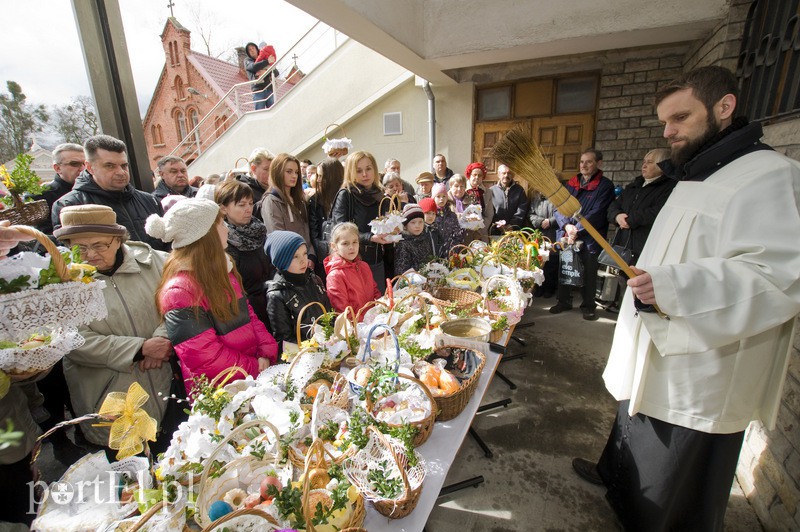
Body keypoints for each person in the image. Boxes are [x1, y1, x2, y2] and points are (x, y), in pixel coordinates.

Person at [571, 66, 800, 531]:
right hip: (653, 339)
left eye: (679, 118)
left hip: (700, 363)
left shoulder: (770, 176)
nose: (668, 132)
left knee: (667, 494)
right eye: (664, 122)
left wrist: (673, 287)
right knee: (633, 441)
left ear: (725, 107)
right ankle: (616, 487)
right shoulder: (699, 172)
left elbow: (778, 276)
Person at [53, 205, 177, 453]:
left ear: (119, 240)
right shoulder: (60, 284)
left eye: (99, 245)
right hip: (109, 399)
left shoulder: (156, 262)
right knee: (130, 483)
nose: (90, 255)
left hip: (167, 388)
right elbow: (70, 339)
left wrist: (162, 339)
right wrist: (139, 349)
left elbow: (180, 304)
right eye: (79, 248)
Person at [147, 198, 278, 393]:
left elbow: (248, 315)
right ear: (203, 235)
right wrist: (254, 368)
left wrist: (266, 351)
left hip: (250, 378)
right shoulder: (180, 291)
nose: (226, 229)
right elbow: (204, 356)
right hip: (222, 391)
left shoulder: (223, 268)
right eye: (220, 224)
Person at [52, 135, 167, 251]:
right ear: (90, 167)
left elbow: (168, 241)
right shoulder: (70, 206)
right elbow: (74, 257)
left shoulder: (149, 200)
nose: (120, 172)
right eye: (110, 166)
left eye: (124, 165)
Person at [550, 148, 615, 320]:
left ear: (598, 164)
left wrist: (577, 229)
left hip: (589, 236)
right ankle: (563, 301)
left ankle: (588, 305)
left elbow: (598, 212)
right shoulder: (571, 184)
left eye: (589, 161)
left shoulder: (605, 186)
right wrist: (567, 227)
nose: (584, 165)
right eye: (581, 162)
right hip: (567, 234)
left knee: (589, 272)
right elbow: (558, 207)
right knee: (565, 268)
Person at [330, 151, 392, 292]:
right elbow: (339, 230)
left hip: (377, 261)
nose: (365, 174)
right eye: (359, 171)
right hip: (352, 263)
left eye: (368, 169)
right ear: (351, 172)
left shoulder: (381, 195)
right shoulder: (346, 195)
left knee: (378, 306)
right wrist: (370, 237)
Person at [215, 180, 272, 328]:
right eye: (241, 205)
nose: (248, 209)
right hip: (249, 314)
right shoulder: (224, 242)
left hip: (272, 304)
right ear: (223, 209)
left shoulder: (259, 230)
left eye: (251, 203)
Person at [264, 231, 331, 345]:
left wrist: (332, 334)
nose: (303, 260)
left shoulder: (315, 279)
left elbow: (328, 313)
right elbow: (284, 340)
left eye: (305, 253)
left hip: (328, 345)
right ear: (281, 261)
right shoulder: (277, 295)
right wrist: (311, 348)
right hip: (304, 354)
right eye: (295, 256)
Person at [261, 153, 316, 268]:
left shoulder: (299, 200)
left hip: (307, 261)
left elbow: (306, 231)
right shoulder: (271, 201)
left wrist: (310, 255)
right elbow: (277, 236)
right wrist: (297, 259)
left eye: (296, 172)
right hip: (288, 263)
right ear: (278, 172)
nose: (294, 176)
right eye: (289, 171)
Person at [324, 222, 381, 313]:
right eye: (345, 243)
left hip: (375, 320)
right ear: (334, 246)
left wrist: (380, 309)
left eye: (355, 242)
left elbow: (375, 292)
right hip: (356, 325)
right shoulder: (335, 276)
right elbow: (342, 312)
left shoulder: (364, 266)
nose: (351, 247)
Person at [29, 142, 85, 235]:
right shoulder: (41, 196)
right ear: (57, 168)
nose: (82, 169)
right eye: (75, 164)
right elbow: (44, 236)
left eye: (85, 164)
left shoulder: (98, 190)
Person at [308, 158, 345, 280]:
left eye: (321, 176)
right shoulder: (314, 201)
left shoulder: (345, 197)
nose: (318, 180)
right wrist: (330, 251)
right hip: (324, 260)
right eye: (317, 175)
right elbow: (314, 234)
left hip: (346, 256)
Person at [395, 203, 441, 274]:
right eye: (413, 222)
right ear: (405, 225)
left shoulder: (425, 237)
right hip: (412, 281)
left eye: (420, 222)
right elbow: (402, 271)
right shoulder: (403, 243)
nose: (417, 226)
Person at [529, 193, 558, 298]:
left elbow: (562, 214)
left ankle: (550, 288)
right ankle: (539, 288)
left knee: (552, 262)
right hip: (540, 233)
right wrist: (540, 221)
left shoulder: (557, 197)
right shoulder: (535, 198)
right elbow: (531, 214)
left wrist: (550, 221)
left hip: (554, 233)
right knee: (539, 262)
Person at [489, 164, 530, 235]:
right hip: (496, 231)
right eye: (504, 173)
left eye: (509, 173)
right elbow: (490, 211)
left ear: (513, 175)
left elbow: (522, 209)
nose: (506, 175)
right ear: (499, 174)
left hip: (515, 231)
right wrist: (499, 225)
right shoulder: (492, 191)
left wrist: (512, 225)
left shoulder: (519, 190)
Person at [431, 182, 464, 256]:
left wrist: (453, 250)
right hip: (435, 253)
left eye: (444, 196)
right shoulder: (431, 215)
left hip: (450, 252)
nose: (441, 199)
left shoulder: (452, 215)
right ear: (433, 198)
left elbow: (458, 235)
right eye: (438, 196)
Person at [464, 162, 494, 242]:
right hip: (466, 233)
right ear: (469, 175)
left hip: (482, 233)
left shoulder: (488, 193)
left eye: (479, 175)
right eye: (474, 174)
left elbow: (489, 214)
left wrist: (480, 230)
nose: (477, 177)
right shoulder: (462, 190)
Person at [243, 42, 275, 110]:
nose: (252, 50)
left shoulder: (264, 57)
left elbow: (276, 72)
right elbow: (253, 67)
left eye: (253, 48)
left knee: (273, 110)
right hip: (258, 91)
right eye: (249, 50)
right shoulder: (247, 61)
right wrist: (267, 62)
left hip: (269, 88)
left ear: (256, 49)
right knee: (260, 113)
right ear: (248, 52)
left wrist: (265, 71)